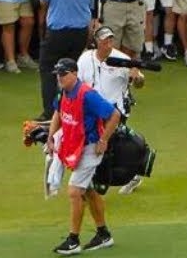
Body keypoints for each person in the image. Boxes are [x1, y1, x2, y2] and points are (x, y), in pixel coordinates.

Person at [46, 57, 120, 255]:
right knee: (88, 191)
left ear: (74, 73)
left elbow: (114, 115)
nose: (59, 78)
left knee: (74, 192)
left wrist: (103, 140)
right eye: (58, 75)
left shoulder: (87, 95)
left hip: (89, 148)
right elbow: (57, 113)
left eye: (63, 74)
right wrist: (51, 137)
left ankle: (73, 240)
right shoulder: (63, 93)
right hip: (74, 147)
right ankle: (104, 234)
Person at [77, 26, 147, 194]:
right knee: (92, 146)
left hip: (115, 110)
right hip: (91, 110)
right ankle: (93, 180)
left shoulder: (122, 59)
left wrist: (137, 77)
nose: (108, 44)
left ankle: (132, 174)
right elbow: (78, 83)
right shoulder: (85, 59)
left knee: (110, 146)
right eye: (104, 40)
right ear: (97, 42)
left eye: (110, 40)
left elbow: (139, 83)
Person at [38, 0, 96, 120]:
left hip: (58, 31)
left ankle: (50, 112)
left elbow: (42, 0)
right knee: (72, 70)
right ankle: (71, 109)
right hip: (79, 32)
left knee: (48, 69)